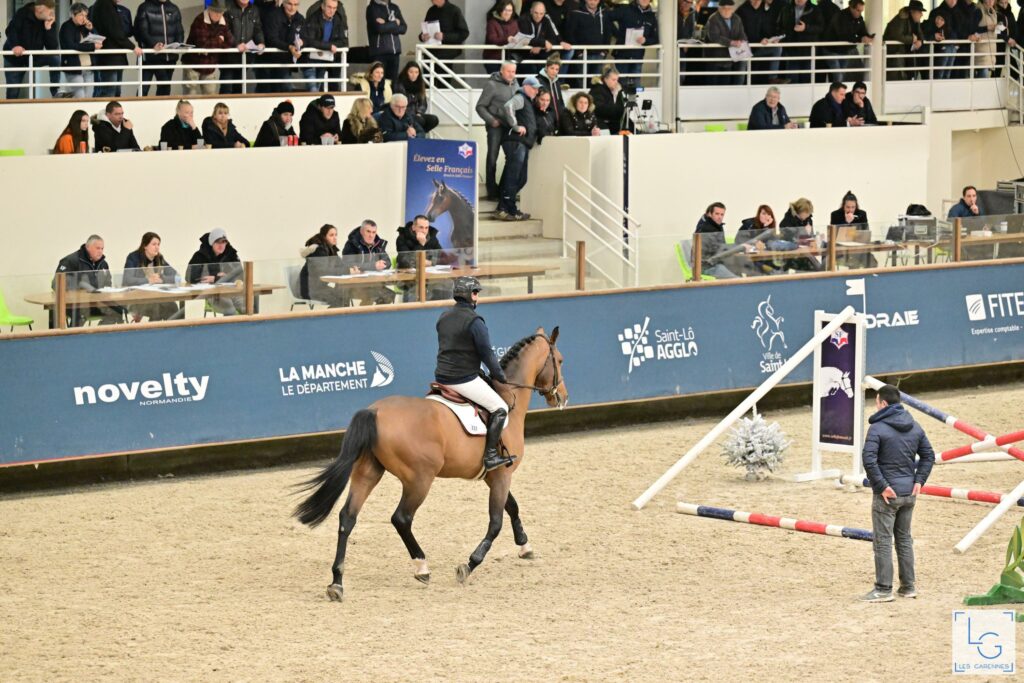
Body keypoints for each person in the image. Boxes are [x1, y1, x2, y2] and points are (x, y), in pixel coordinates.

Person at [859, 384, 934, 603]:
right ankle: (908, 587)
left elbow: (868, 460)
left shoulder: (877, 428)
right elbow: (929, 455)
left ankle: (883, 589)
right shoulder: (915, 426)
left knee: (883, 541)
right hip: (908, 493)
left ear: (883, 403)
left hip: (887, 495)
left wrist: (882, 486)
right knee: (904, 539)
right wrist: (919, 480)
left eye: (876, 402)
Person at [434, 276, 515, 472]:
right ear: (471, 295)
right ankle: (491, 455)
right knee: (500, 408)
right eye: (476, 292)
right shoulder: (475, 321)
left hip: (441, 376)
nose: (477, 296)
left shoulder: (443, 317)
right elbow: (487, 354)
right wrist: (500, 377)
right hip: (463, 379)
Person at [496, 75, 541, 221]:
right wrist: (515, 126)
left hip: (522, 143)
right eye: (534, 88)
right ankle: (506, 209)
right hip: (516, 142)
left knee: (521, 178)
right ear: (526, 87)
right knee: (514, 176)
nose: (536, 91)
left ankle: (506, 207)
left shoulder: (527, 100)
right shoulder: (520, 97)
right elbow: (508, 107)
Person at [53, 235, 122, 327]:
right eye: (97, 248)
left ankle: (100, 334)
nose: (100, 251)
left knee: (117, 311)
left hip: (96, 302)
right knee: (80, 314)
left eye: (102, 248)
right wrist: (81, 287)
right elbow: (56, 284)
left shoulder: (103, 264)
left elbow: (108, 283)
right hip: (74, 304)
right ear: (88, 247)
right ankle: (75, 336)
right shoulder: (71, 261)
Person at [476, 61, 518, 200]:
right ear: (501, 71)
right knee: (492, 157)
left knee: (512, 157)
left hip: (510, 126)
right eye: (508, 71)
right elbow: (480, 106)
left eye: (513, 72)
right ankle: (492, 191)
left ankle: (504, 189)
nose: (511, 74)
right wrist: (492, 120)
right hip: (496, 126)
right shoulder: (492, 85)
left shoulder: (516, 84)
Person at [3, 0, 59, 99]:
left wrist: (48, 29)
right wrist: (15, 46)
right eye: (50, 11)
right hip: (15, 58)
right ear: (40, 9)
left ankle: (55, 92)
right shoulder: (22, 13)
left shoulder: (48, 20)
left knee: (55, 58)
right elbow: (11, 30)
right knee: (13, 92)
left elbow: (52, 47)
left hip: (34, 57)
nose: (52, 14)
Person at [122, 231, 181, 322]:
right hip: (137, 299)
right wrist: (148, 280)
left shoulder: (159, 258)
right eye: (154, 244)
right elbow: (127, 279)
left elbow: (176, 276)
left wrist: (162, 279)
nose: (157, 247)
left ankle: (174, 330)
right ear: (145, 246)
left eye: (158, 244)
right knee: (157, 307)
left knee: (172, 306)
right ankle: (154, 330)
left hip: (156, 296)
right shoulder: (133, 257)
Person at [90, 0, 143, 98]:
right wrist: (133, 47)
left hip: (114, 57)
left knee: (115, 91)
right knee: (109, 91)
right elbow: (115, 32)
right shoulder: (105, 5)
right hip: (109, 57)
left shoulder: (107, 5)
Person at [186, 228, 244, 315]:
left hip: (230, 290)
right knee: (229, 308)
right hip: (212, 293)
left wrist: (217, 278)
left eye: (224, 242)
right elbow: (190, 277)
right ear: (211, 243)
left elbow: (240, 275)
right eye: (218, 242)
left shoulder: (231, 254)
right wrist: (220, 277)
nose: (221, 245)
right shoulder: (200, 256)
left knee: (247, 305)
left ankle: (246, 324)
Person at [395, 215, 454, 301]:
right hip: (408, 279)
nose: (424, 231)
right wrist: (421, 244)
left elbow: (445, 258)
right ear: (414, 227)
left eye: (426, 228)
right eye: (421, 227)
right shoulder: (402, 238)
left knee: (448, 284)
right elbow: (406, 262)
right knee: (416, 292)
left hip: (429, 277)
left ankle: (438, 308)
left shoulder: (432, 238)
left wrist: (431, 262)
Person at [133, 0, 185, 97]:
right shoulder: (144, 7)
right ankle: (139, 106)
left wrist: (178, 44)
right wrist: (153, 44)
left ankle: (162, 107)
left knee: (165, 88)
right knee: (143, 88)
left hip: (169, 57)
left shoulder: (173, 8)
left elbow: (179, 31)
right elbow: (140, 31)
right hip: (150, 56)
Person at [182, 0, 234, 95]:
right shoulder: (199, 20)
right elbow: (203, 44)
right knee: (190, 94)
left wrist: (215, 43)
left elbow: (230, 42)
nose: (218, 15)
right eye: (216, 11)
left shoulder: (224, 21)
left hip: (210, 65)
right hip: (193, 64)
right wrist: (220, 40)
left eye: (220, 12)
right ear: (209, 10)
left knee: (210, 95)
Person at [341, 220, 395, 306]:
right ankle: (363, 313)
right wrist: (374, 266)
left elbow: (387, 262)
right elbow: (348, 264)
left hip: (373, 283)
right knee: (371, 295)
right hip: (354, 285)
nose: (371, 235)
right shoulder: (352, 244)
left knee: (389, 295)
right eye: (368, 231)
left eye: (374, 232)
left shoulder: (378, 244)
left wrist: (382, 265)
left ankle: (374, 314)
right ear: (361, 231)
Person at [301, 0, 348, 92]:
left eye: (334, 8)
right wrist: (329, 46)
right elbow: (309, 41)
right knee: (313, 90)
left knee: (317, 89)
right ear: (322, 6)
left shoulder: (338, 19)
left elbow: (344, 42)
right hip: (309, 60)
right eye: (329, 7)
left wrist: (330, 46)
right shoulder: (313, 18)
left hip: (324, 60)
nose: (332, 10)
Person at [299, 224, 348, 308]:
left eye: (336, 235)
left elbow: (341, 265)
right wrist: (348, 270)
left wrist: (350, 269)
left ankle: (337, 316)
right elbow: (324, 271)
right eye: (331, 235)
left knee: (344, 295)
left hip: (320, 287)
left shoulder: (331, 250)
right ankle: (331, 316)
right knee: (340, 298)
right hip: (310, 290)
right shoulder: (319, 250)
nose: (335, 238)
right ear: (324, 237)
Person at [221, 0, 265, 94]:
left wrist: (261, 43)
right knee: (226, 88)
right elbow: (225, 30)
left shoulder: (255, 10)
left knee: (239, 90)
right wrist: (236, 44)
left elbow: (258, 30)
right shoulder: (227, 7)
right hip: (228, 58)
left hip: (244, 59)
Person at [822, 0, 871, 83]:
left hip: (844, 50)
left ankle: (837, 89)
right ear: (851, 8)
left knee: (841, 75)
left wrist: (866, 36)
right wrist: (860, 39)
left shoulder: (859, 18)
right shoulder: (839, 16)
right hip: (831, 50)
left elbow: (862, 30)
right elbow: (843, 35)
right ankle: (837, 90)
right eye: (858, 10)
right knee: (838, 75)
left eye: (861, 11)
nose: (860, 13)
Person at [564, 0, 610, 88]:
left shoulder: (604, 13)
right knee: (581, 83)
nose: (592, 2)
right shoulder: (576, 12)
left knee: (596, 83)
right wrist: (578, 52)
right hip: (582, 55)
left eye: (595, 0)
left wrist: (605, 51)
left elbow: (608, 32)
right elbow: (569, 33)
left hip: (599, 55)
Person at [261, 0, 304, 93]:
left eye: (295, 4)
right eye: (289, 4)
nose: (292, 7)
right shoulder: (273, 16)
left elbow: (304, 37)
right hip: (270, 60)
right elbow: (272, 39)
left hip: (288, 60)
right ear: (283, 3)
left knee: (284, 88)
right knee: (269, 89)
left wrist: (301, 43)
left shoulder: (300, 18)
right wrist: (289, 47)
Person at [611, 0, 659, 83]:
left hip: (638, 57)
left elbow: (655, 39)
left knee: (636, 86)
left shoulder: (651, 16)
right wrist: (617, 34)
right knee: (621, 85)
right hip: (622, 55)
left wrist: (645, 40)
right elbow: (607, 18)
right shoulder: (625, 9)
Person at [59, 3, 100, 99]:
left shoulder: (84, 27)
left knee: (88, 97)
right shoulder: (66, 26)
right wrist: (92, 46)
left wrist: (91, 29)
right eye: (81, 15)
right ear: (73, 15)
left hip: (88, 67)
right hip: (74, 67)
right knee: (80, 96)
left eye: (85, 15)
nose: (84, 18)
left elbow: (97, 38)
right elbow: (71, 45)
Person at [735, 0, 781, 83]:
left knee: (777, 48)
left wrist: (770, 39)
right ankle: (739, 85)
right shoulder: (742, 11)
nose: (757, 1)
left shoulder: (763, 11)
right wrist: (758, 40)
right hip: (743, 48)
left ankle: (773, 78)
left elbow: (765, 29)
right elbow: (740, 34)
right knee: (743, 59)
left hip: (756, 47)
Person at [778, 0, 823, 84]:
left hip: (808, 49)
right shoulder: (786, 9)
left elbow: (820, 27)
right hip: (791, 49)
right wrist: (782, 37)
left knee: (806, 78)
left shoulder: (815, 9)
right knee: (791, 78)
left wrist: (806, 28)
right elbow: (780, 26)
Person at [705, 0, 747, 86]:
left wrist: (742, 40)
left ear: (733, 9)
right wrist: (731, 42)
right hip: (714, 60)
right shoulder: (713, 19)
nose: (727, 11)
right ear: (719, 9)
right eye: (724, 8)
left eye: (729, 8)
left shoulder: (737, 18)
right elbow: (714, 37)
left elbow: (742, 34)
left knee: (725, 86)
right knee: (712, 86)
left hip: (728, 60)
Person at [420, 0, 469, 73]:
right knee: (428, 78)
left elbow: (464, 33)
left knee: (443, 78)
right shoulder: (431, 10)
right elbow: (425, 30)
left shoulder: (454, 10)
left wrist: (444, 36)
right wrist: (422, 37)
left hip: (446, 54)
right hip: (430, 53)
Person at [366, 0, 407, 83]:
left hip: (395, 52)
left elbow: (403, 28)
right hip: (379, 52)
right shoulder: (371, 8)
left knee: (393, 83)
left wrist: (386, 24)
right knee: (379, 82)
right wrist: (395, 23)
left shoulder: (394, 7)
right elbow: (379, 28)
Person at [884, 1, 925, 81]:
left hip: (907, 53)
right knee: (898, 78)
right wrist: (912, 39)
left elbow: (920, 34)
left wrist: (921, 41)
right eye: (920, 12)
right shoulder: (900, 20)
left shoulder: (916, 21)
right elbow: (897, 35)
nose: (921, 14)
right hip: (895, 53)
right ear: (912, 12)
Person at [394, 61, 439, 134]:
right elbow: (402, 102)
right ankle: (418, 135)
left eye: (416, 72)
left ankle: (419, 134)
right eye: (411, 72)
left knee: (434, 119)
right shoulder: (400, 83)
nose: (414, 75)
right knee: (420, 120)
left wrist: (419, 112)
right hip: (404, 114)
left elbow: (423, 103)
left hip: (416, 113)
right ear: (406, 72)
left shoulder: (420, 83)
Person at [694, 202, 737, 278]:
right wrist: (739, 247)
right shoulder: (706, 229)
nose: (720, 217)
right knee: (737, 280)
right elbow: (718, 249)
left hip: (716, 263)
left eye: (722, 214)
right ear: (709, 214)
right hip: (707, 266)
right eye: (717, 214)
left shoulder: (716, 226)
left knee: (740, 271)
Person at [484, 1, 520, 73]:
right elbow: (492, 39)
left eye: (510, 10)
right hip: (494, 58)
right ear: (500, 10)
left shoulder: (515, 23)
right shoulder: (492, 22)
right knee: (496, 79)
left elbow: (518, 36)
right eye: (505, 10)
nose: (507, 13)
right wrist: (507, 39)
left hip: (510, 59)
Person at [590, 65, 625, 134]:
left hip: (610, 121)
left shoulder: (613, 90)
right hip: (600, 123)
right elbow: (600, 109)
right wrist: (619, 110)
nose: (616, 82)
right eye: (613, 80)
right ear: (605, 79)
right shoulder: (597, 90)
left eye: (617, 80)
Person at [536, 54, 566, 129]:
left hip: (558, 122)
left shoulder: (557, 82)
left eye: (557, 69)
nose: (554, 71)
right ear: (546, 67)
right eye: (552, 68)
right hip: (546, 121)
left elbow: (560, 102)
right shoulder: (538, 81)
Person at [973, 0, 1001, 79]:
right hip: (981, 49)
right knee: (983, 75)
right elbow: (973, 29)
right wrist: (988, 28)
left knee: (986, 76)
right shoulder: (978, 11)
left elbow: (996, 32)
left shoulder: (994, 12)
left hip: (991, 50)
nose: (991, 0)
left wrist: (999, 28)